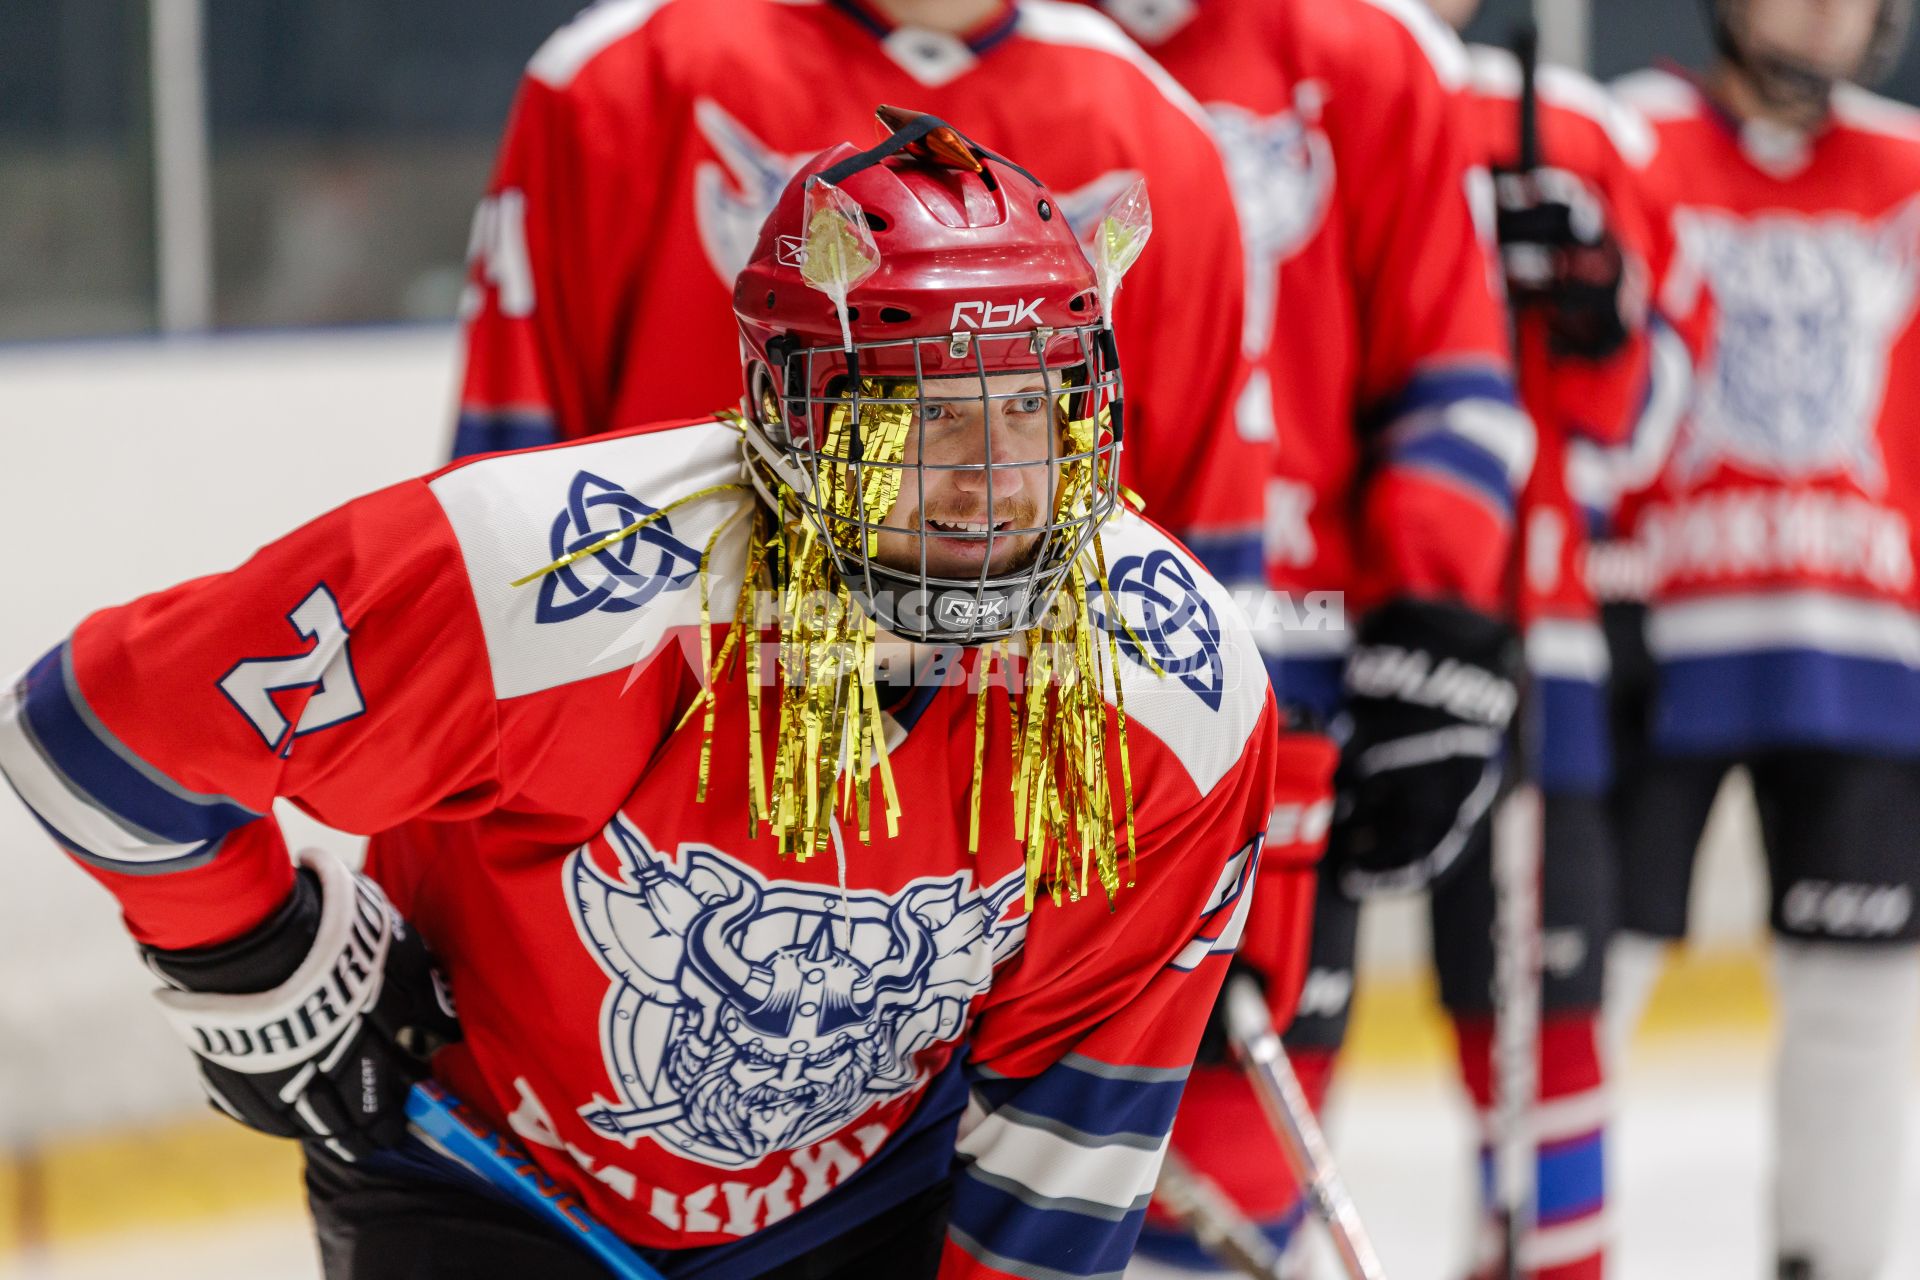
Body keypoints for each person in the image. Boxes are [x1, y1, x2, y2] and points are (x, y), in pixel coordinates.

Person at [0, 119, 1332, 1279]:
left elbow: (1064, 1143)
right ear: (795, 411)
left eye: (1033, 412)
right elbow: (92, 729)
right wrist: (255, 959)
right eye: (926, 417)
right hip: (483, 1179)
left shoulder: (1174, 689)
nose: (990, 479)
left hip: (862, 1210)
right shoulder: (545, 580)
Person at [1079, 0, 1534, 1271]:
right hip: (1012, 695)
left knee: (1226, 1199)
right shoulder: (989, 50)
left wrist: (1432, 631)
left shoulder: (1366, 55)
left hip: (1290, 702)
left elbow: (1452, 378)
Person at [453, 0, 1268, 587]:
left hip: (1032, 731)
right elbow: (510, 482)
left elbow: (1206, 523)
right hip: (678, 700)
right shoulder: (618, 76)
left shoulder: (1157, 127)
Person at [1606, 2, 1920, 1275]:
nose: (1827, 13)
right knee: (1590, 983)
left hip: (1869, 663)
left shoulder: (1910, 167)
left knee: (1860, 1005)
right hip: (1650, 647)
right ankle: (1547, 1244)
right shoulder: (1631, 138)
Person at [1439, 8, 1665, 1275]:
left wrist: (1603, 309)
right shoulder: (1299, 72)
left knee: (1543, 1022)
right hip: (1316, 628)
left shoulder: (1580, 128)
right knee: (1270, 1029)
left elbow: (1652, 421)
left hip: (1538, 643)